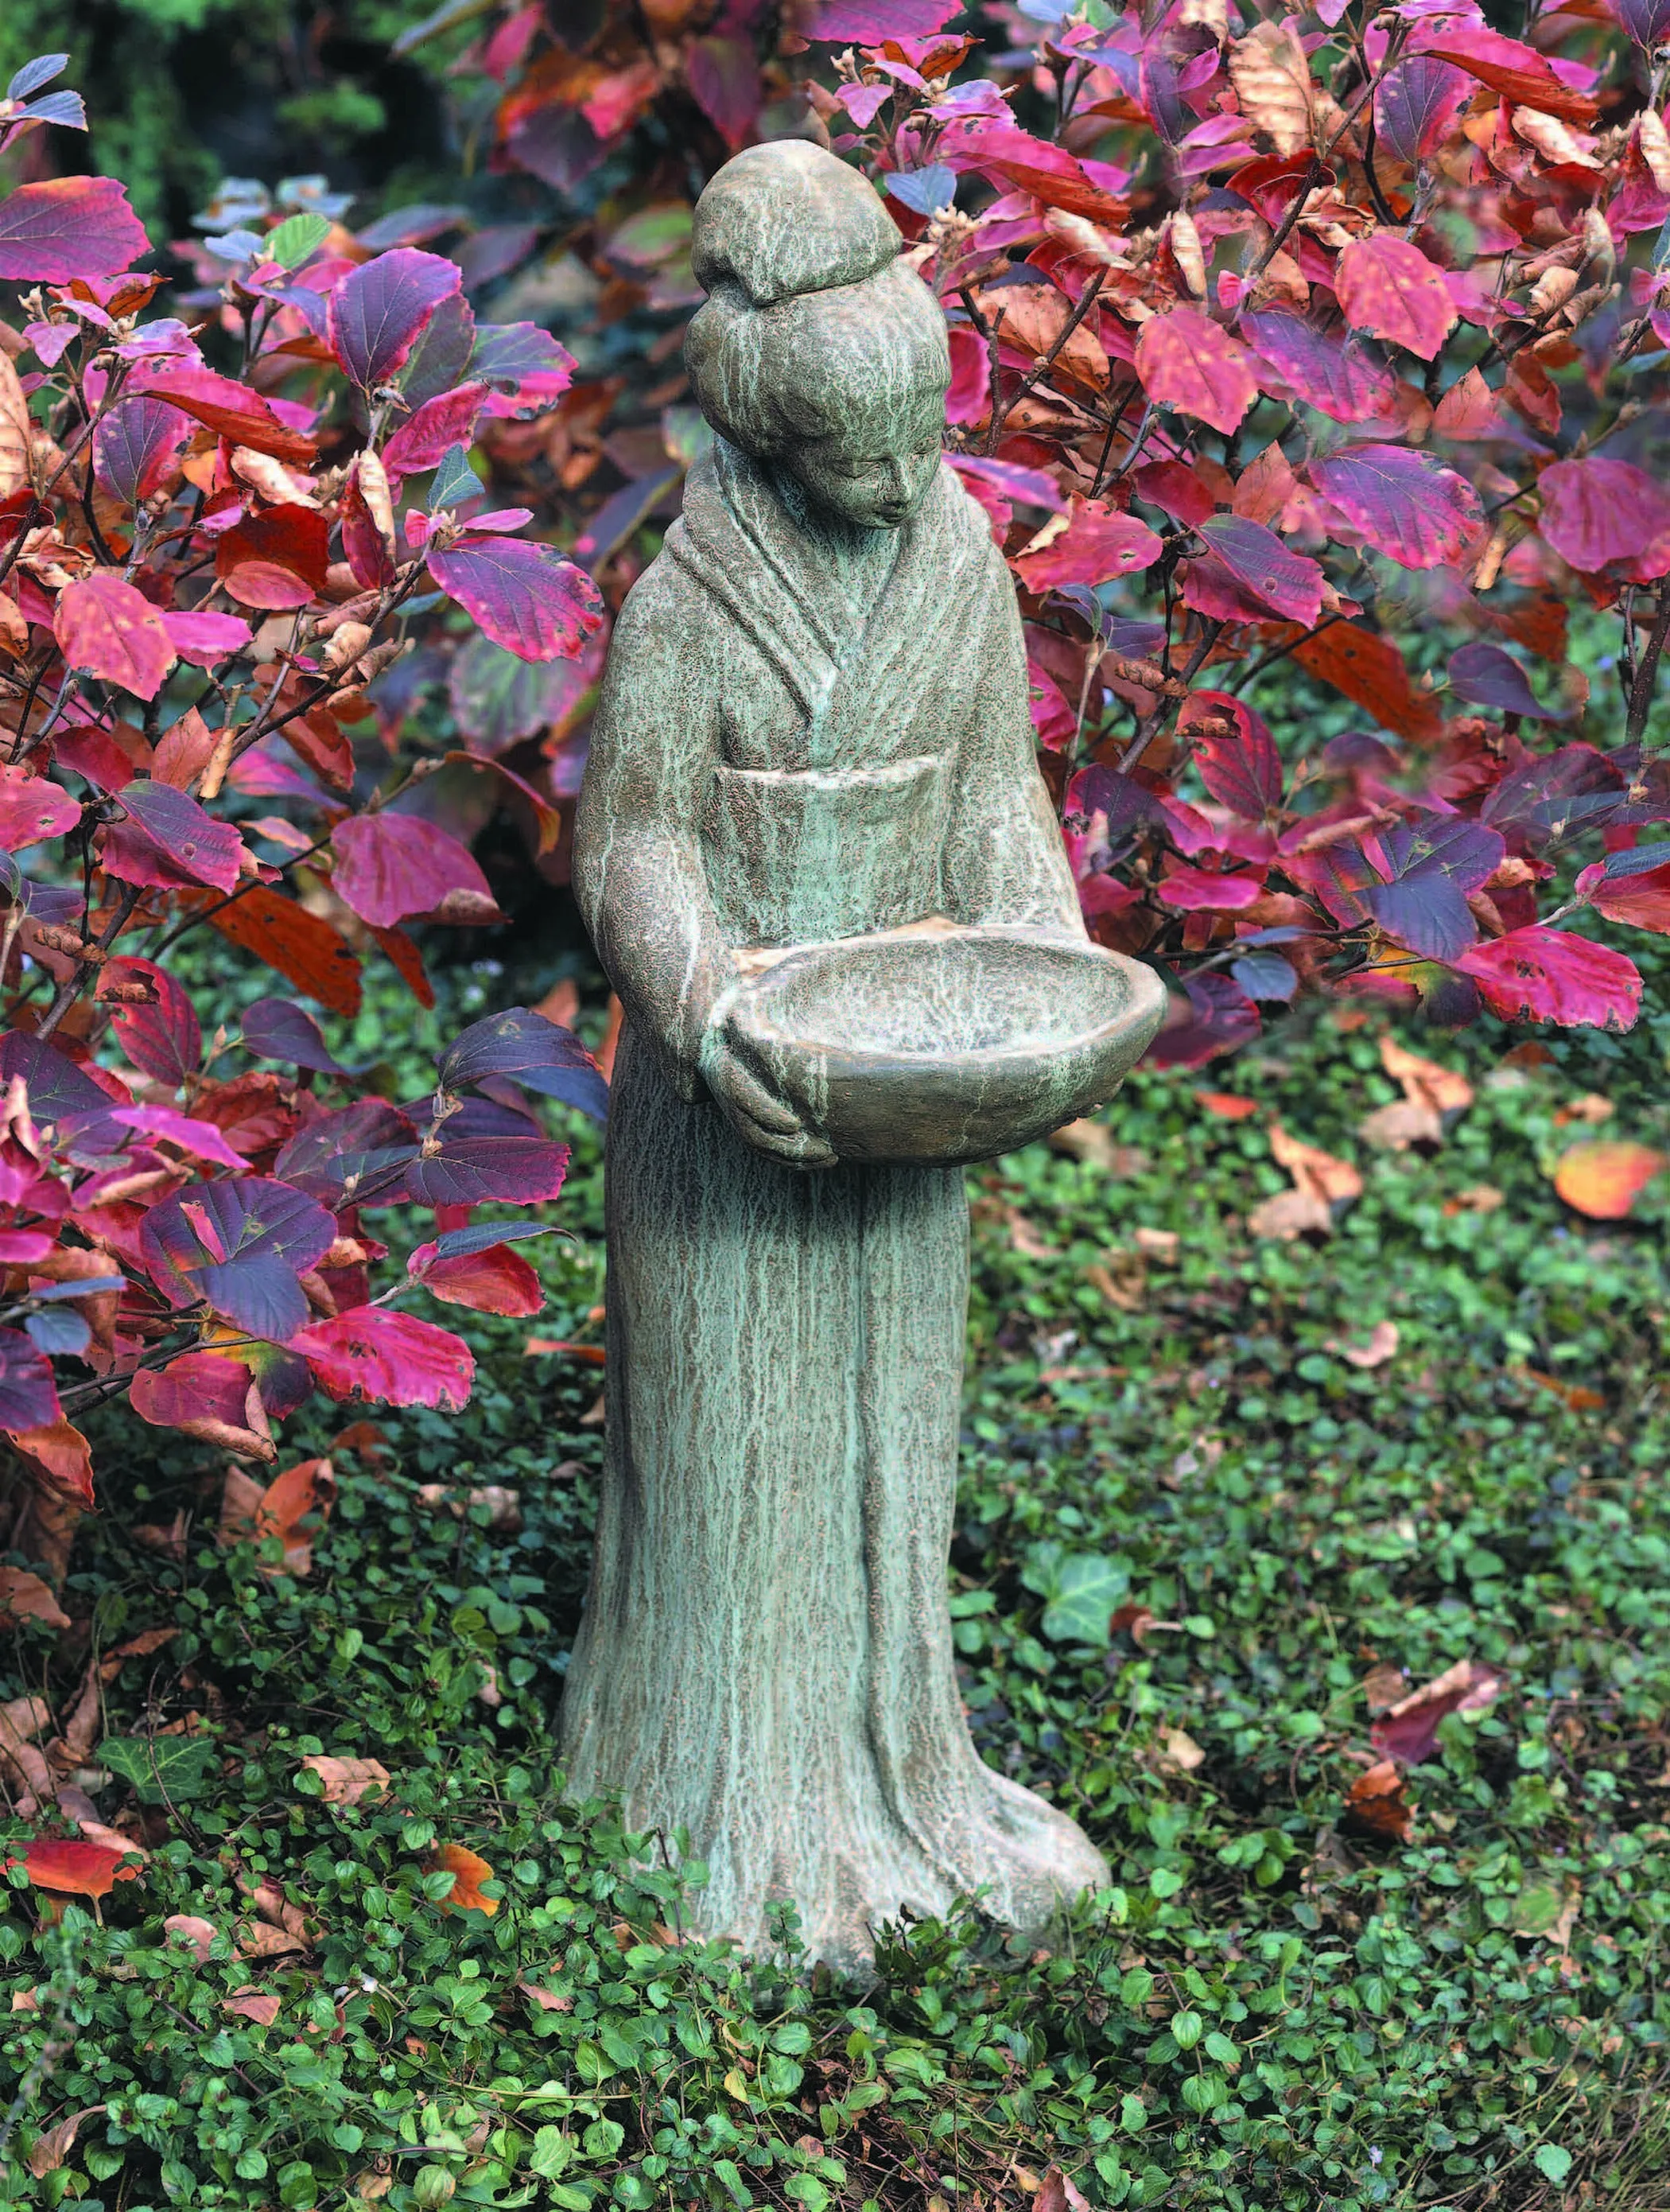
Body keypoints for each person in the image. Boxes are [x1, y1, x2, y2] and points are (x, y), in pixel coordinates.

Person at [565, 138, 1109, 1972]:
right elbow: (632, 842)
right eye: (851, 459)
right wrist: (710, 1003)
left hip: (914, 1066)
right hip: (731, 1094)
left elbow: (1001, 808)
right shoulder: (690, 595)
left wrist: (1045, 963)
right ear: (767, 442)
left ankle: (906, 1786)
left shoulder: (957, 556)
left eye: (916, 446)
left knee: (891, 1445)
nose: (893, 487)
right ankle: (730, 1816)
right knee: (739, 1463)